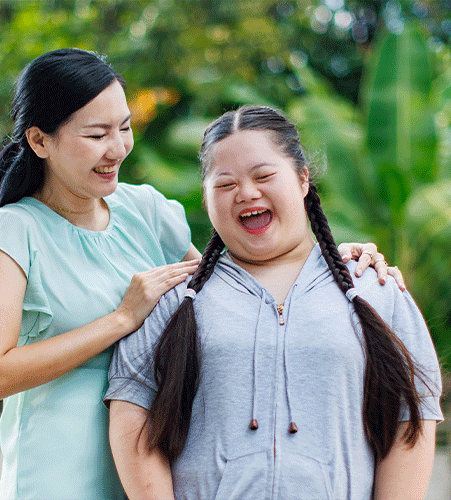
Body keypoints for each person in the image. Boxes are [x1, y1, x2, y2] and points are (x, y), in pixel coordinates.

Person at [0, 49, 397, 499]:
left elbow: (231, 282)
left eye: (124, 128)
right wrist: (121, 320)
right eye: (96, 134)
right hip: (57, 478)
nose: (117, 149)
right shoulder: (14, 229)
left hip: (154, 471)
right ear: (39, 140)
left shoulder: (145, 211)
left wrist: (330, 257)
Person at [105, 105, 443, 500]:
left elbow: (411, 419)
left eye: (264, 176)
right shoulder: (173, 300)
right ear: (206, 197)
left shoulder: (376, 290)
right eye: (225, 184)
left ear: (302, 179)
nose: (247, 193)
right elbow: (132, 420)